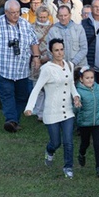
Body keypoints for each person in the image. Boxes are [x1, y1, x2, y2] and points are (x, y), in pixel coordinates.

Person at [0, 0, 41, 132]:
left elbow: (34, 41)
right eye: (12, 13)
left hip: (22, 69)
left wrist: (36, 57)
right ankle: (10, 119)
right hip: (3, 69)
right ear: (6, 12)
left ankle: (14, 121)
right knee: (7, 94)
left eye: (17, 12)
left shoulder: (25, 24)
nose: (15, 15)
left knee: (22, 96)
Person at [24, 38, 81, 178]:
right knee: (56, 142)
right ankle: (49, 151)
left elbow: (71, 84)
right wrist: (29, 108)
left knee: (68, 141)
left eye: (61, 49)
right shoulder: (47, 69)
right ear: (51, 52)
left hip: (67, 111)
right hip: (51, 112)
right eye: (56, 50)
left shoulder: (69, 65)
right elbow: (36, 89)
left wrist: (76, 96)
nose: (60, 53)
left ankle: (68, 167)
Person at [74, 66, 99, 178]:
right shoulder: (78, 91)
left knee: (98, 144)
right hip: (85, 123)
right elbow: (75, 109)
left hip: (97, 121)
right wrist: (77, 106)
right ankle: (82, 153)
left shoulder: (98, 88)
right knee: (85, 143)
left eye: (92, 78)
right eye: (87, 78)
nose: (90, 80)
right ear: (81, 79)